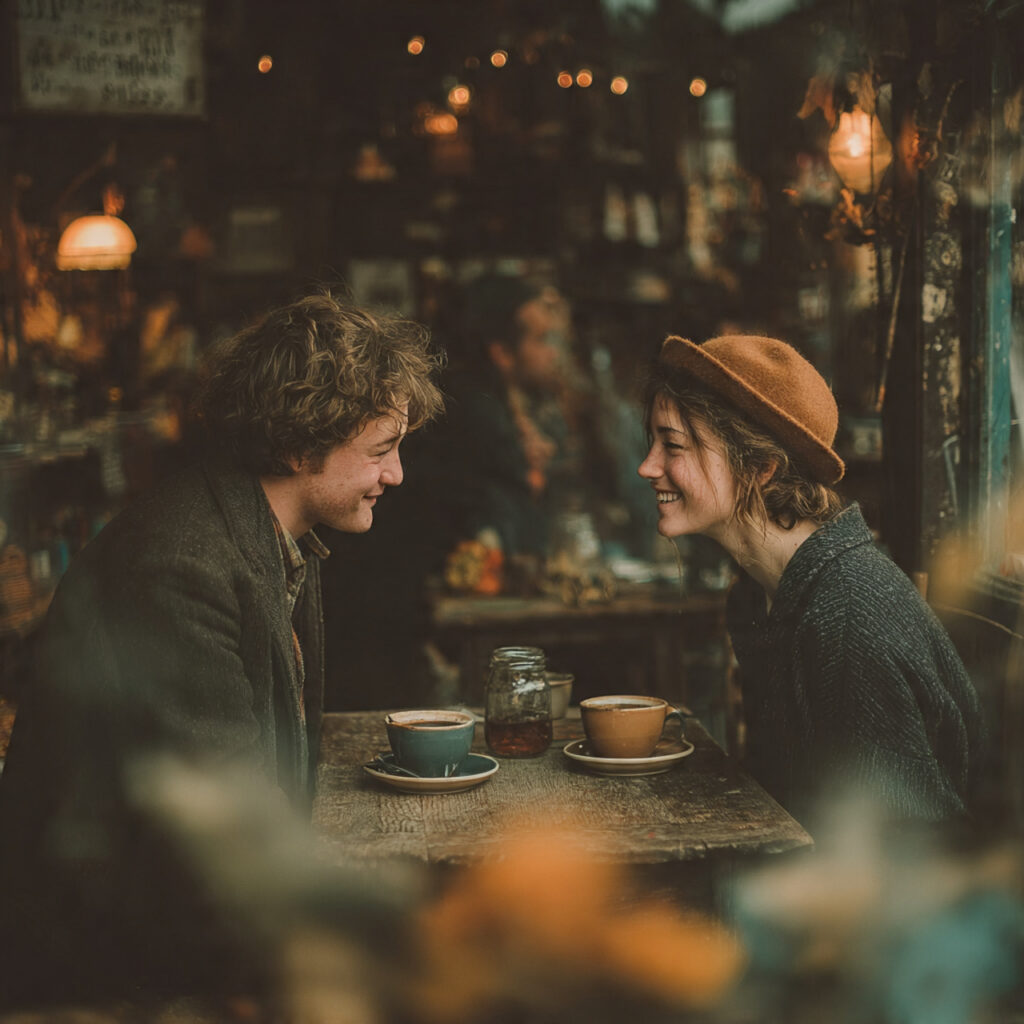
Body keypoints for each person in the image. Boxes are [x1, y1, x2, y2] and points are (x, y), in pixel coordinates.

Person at [0, 293, 444, 1008]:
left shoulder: (270, 534)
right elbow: (220, 841)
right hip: (105, 967)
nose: (395, 476)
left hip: (180, 927)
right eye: (381, 451)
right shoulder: (182, 565)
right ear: (302, 445)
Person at [638, 333, 985, 825]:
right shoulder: (758, 597)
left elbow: (901, 854)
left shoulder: (846, 619)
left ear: (759, 468)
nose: (647, 466)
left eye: (672, 445)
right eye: (651, 442)